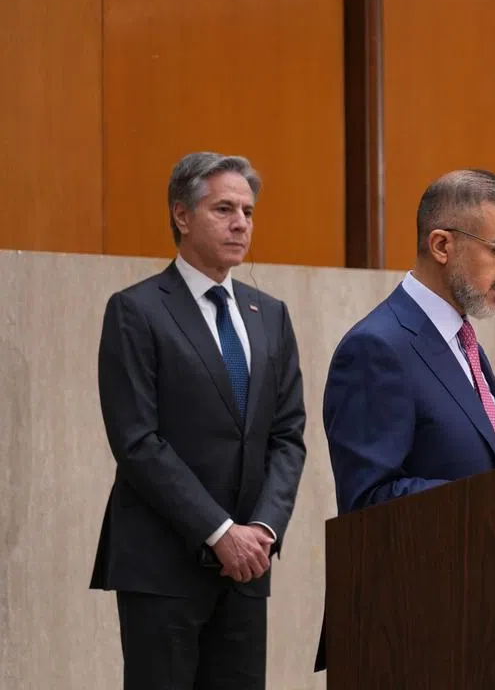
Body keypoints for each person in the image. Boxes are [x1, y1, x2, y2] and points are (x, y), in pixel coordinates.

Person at [90, 152, 307, 690]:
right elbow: (138, 441)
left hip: (248, 567)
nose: (241, 223)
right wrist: (219, 531)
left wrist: (261, 528)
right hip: (162, 564)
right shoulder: (136, 310)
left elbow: (288, 436)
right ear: (182, 216)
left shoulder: (270, 314)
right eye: (224, 208)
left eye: (249, 212)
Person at [323, 168, 495, 514]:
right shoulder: (375, 349)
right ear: (441, 246)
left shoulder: (462, 343)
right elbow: (368, 500)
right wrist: (493, 501)